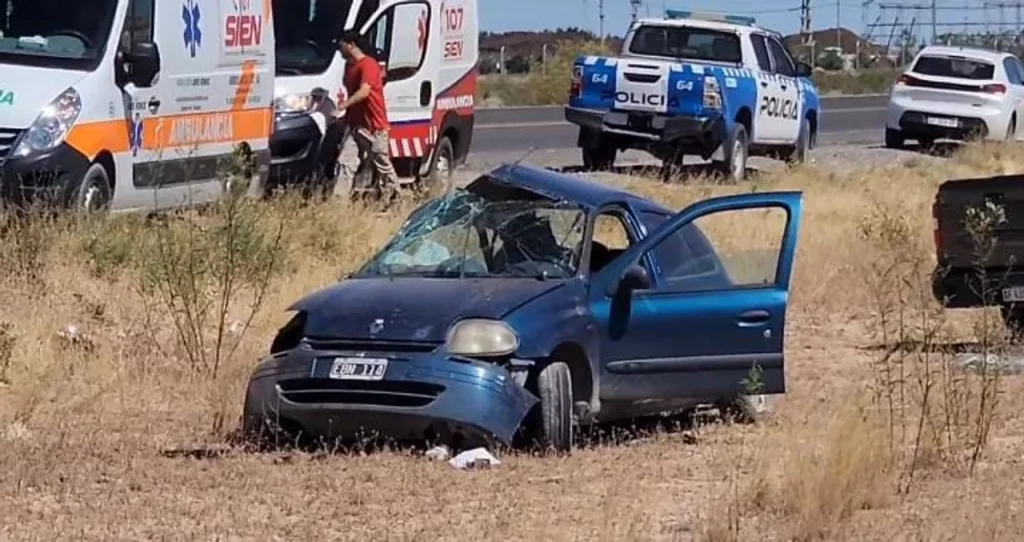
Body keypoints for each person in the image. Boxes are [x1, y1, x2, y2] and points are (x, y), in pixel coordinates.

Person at [334, 31, 398, 196]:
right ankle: (338, 202)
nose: (339, 50)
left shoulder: (368, 65)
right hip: (356, 124)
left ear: (351, 45)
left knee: (381, 163)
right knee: (345, 162)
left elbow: (364, 92)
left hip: (374, 126)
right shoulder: (349, 67)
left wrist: (344, 105)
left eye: (341, 46)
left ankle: (394, 198)